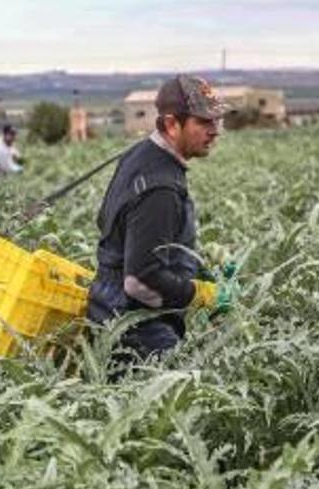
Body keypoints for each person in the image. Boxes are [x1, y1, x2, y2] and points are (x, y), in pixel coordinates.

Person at [86, 75, 234, 365]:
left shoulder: (139, 156)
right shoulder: (160, 188)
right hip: (138, 331)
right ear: (171, 124)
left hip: (109, 311)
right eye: (204, 122)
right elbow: (140, 281)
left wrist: (194, 260)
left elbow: (107, 223)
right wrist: (200, 294)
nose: (215, 131)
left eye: (216, 121)